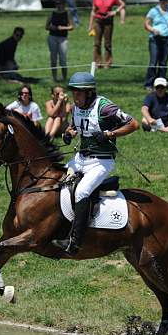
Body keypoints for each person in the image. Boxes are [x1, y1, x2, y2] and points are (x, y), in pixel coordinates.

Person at [52, 72, 139, 255]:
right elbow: (76, 126)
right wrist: (68, 132)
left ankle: (75, 241)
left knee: (82, 191)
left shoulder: (105, 107)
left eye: (78, 93)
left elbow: (133, 124)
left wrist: (109, 134)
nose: (75, 96)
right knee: (57, 181)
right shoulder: (76, 107)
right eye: (74, 92)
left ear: (89, 93)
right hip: (80, 159)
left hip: (101, 161)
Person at [88, 0, 125, 68]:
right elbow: (93, 11)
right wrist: (90, 25)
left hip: (108, 21)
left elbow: (122, 4)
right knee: (97, 42)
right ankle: (97, 62)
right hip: (98, 20)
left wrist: (115, 11)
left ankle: (108, 62)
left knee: (107, 43)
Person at [144, 0, 168, 90]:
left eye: (165, 0)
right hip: (155, 38)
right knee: (153, 61)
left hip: (167, 38)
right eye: (162, 0)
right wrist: (153, 30)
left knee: (163, 62)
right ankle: (149, 83)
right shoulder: (153, 11)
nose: (163, 2)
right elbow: (146, 24)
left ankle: (160, 83)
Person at [46, 0, 74, 82]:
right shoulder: (52, 14)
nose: (59, 6)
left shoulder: (67, 14)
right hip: (52, 37)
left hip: (63, 38)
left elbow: (72, 26)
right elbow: (46, 27)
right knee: (53, 58)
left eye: (60, 4)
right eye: (57, 4)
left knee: (63, 59)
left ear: (64, 5)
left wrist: (63, 28)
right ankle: (54, 78)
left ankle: (64, 78)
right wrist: (52, 27)